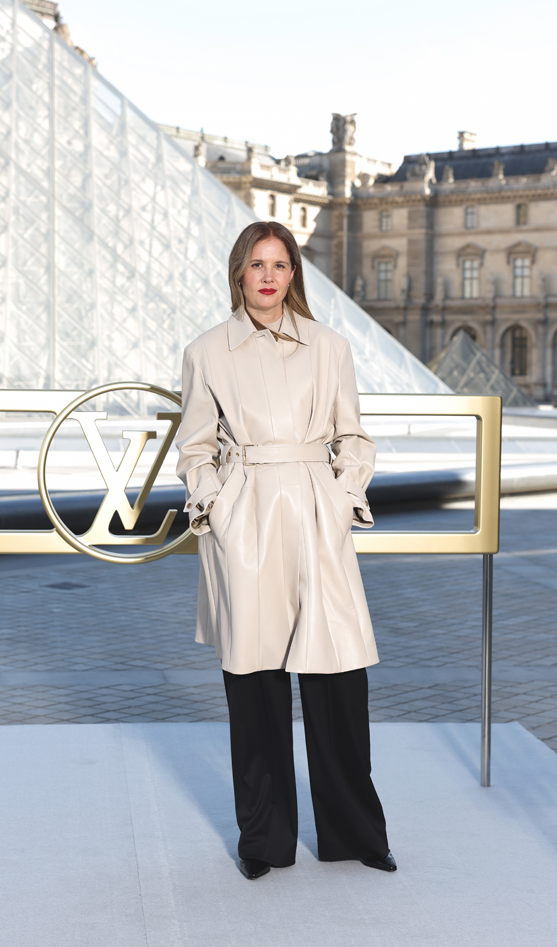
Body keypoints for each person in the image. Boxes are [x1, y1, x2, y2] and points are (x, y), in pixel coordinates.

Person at [175, 221, 395, 880]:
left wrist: (340, 498)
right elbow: (194, 448)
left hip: (314, 516)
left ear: (294, 274)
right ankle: (264, 841)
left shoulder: (330, 347)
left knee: (338, 677)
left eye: (280, 264)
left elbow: (354, 438)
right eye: (256, 263)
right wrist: (216, 504)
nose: (268, 275)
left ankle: (356, 833)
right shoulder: (206, 351)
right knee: (255, 685)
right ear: (238, 272)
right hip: (246, 518)